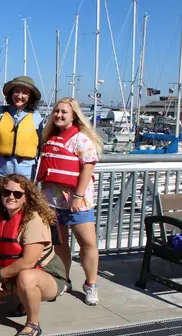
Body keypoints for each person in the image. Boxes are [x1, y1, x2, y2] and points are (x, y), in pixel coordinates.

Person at [36, 97, 103, 306]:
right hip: (52, 202)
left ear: (73, 115)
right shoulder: (50, 138)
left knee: (88, 244)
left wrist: (78, 195)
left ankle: (91, 284)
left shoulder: (81, 139)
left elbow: (88, 166)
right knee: (60, 244)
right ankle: (64, 280)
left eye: (64, 112)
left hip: (77, 203)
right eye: (56, 111)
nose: (59, 115)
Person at [0, 174, 67, 336]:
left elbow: (28, 262)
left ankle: (33, 324)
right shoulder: (0, 217)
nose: (11, 197)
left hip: (48, 274)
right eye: (6, 192)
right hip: (15, 272)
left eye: (17, 194)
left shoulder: (34, 219)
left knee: (26, 277)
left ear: (26, 198)